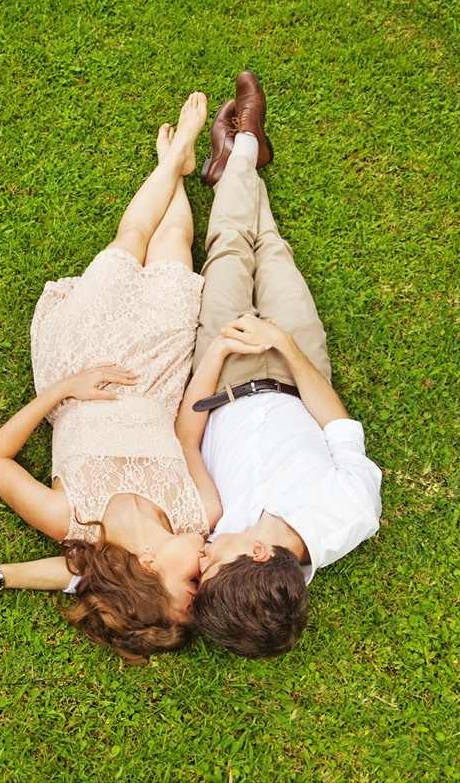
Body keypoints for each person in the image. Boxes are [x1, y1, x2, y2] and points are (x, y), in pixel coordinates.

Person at [0, 93, 249, 664]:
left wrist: (59, 391)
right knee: (172, 253)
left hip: (83, 363)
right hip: (156, 374)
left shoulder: (77, 524)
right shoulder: (199, 516)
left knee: (129, 242)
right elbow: (186, 436)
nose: (207, 579)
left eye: (193, 590)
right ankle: (178, 174)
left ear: (150, 570)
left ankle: (175, 157)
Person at [184, 70, 383, 657]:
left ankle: (242, 151)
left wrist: (219, 352)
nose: (203, 556)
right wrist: (285, 344)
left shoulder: (223, 528)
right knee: (272, 253)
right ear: (261, 553)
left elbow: (188, 436)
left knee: (226, 251)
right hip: (296, 368)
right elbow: (340, 428)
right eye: (212, 565)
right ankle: (239, 159)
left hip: (219, 375)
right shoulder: (350, 513)